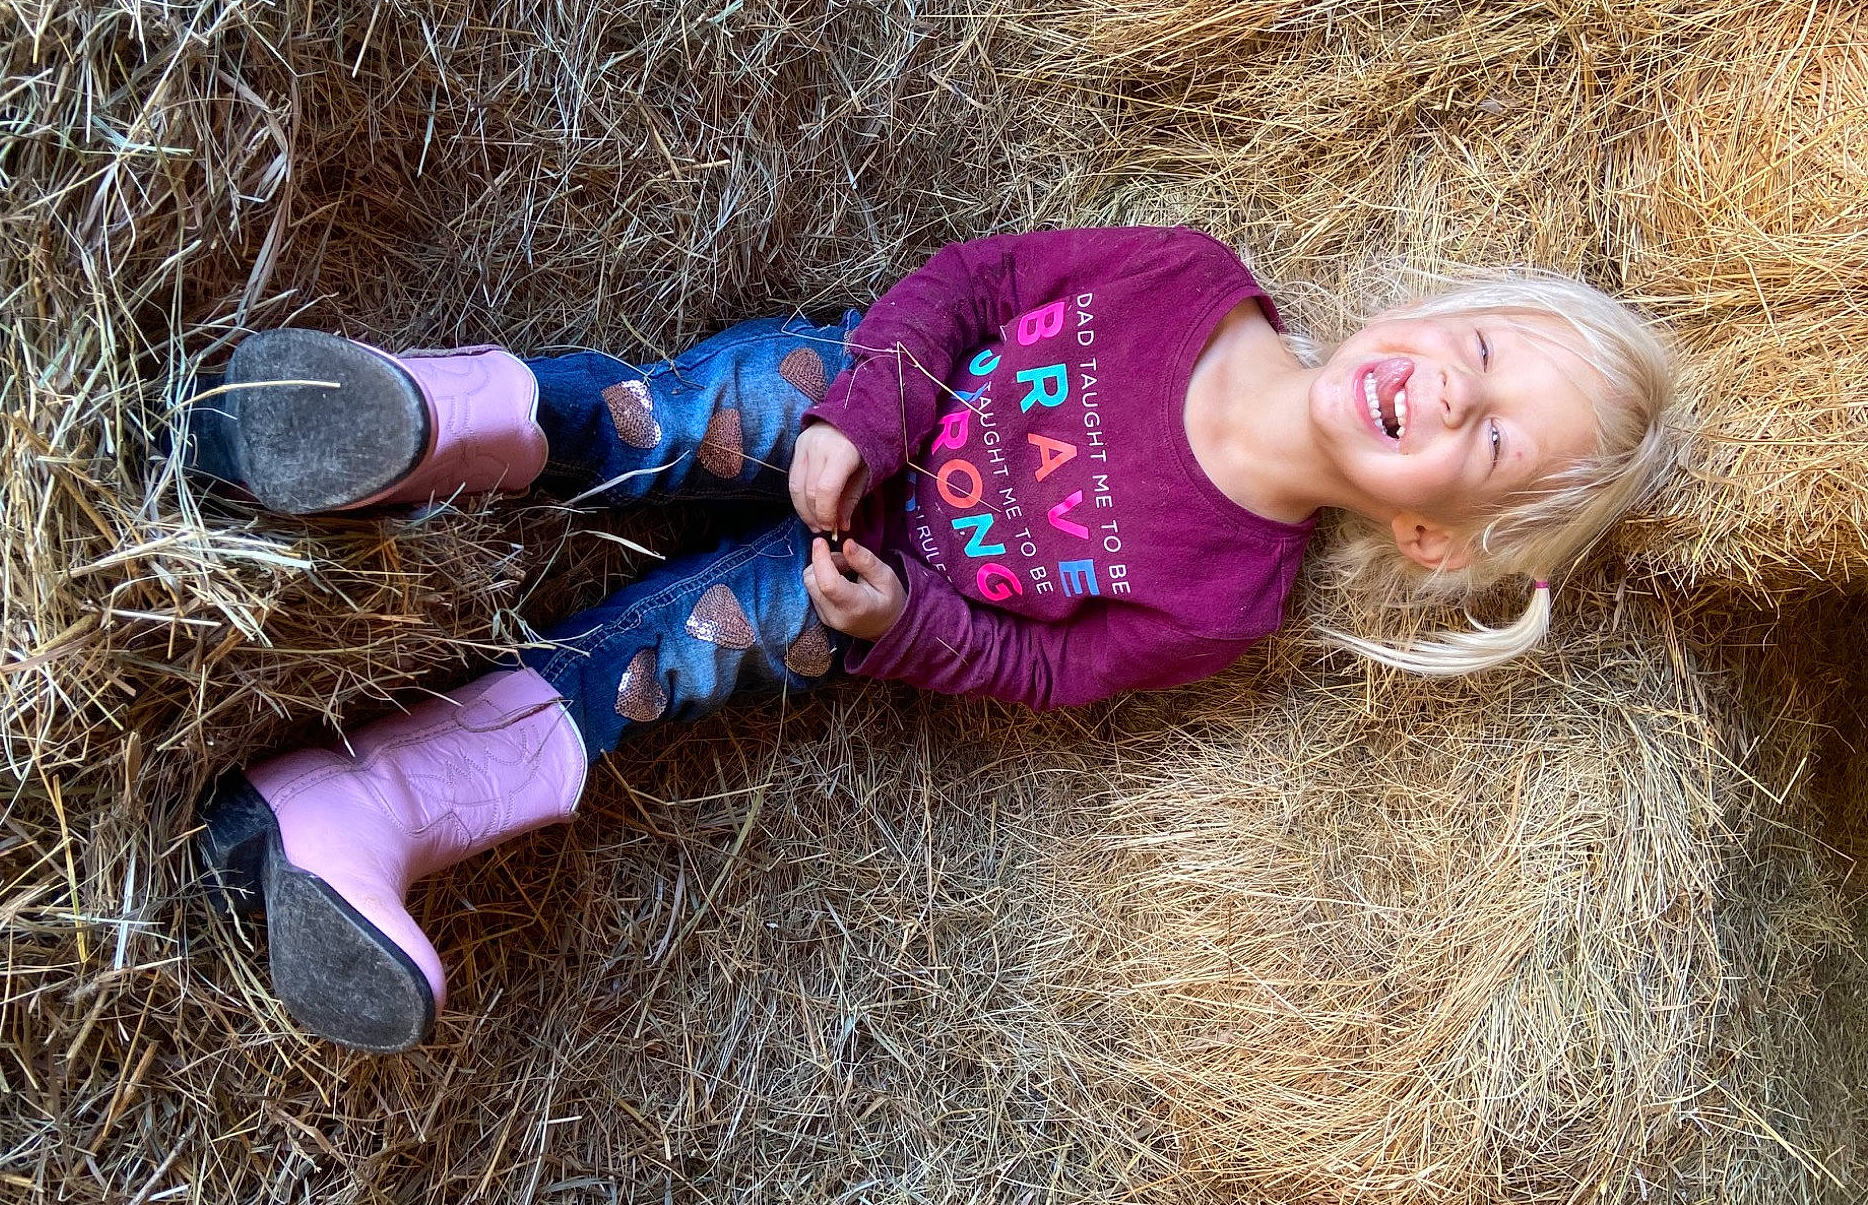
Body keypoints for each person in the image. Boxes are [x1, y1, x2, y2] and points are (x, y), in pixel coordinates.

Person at [187, 226, 1677, 1052]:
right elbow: (975, 284)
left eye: (1486, 448)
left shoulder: (1232, 599)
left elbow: (1041, 671)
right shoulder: (1189, 282)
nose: (1448, 398)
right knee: (678, 422)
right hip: (851, 400)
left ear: (1431, 539)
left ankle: (351, 817)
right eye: (1478, 357)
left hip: (868, 594)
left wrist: (905, 625)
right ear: (1435, 308)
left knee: (659, 665)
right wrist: (866, 413)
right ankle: (400, 423)